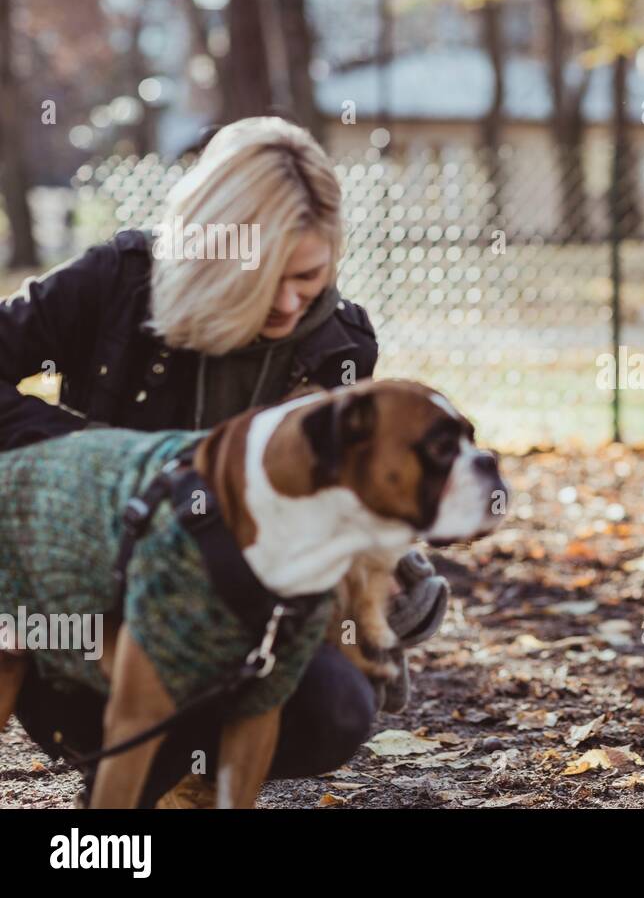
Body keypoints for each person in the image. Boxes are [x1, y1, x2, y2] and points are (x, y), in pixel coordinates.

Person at [0, 116, 446, 806]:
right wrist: (83, 453)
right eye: (268, 278)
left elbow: (328, 500)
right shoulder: (116, 285)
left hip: (239, 626)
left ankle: (197, 774)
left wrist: (388, 569)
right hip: (92, 615)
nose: (292, 302)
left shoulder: (335, 347)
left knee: (335, 708)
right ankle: (141, 766)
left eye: (310, 275)